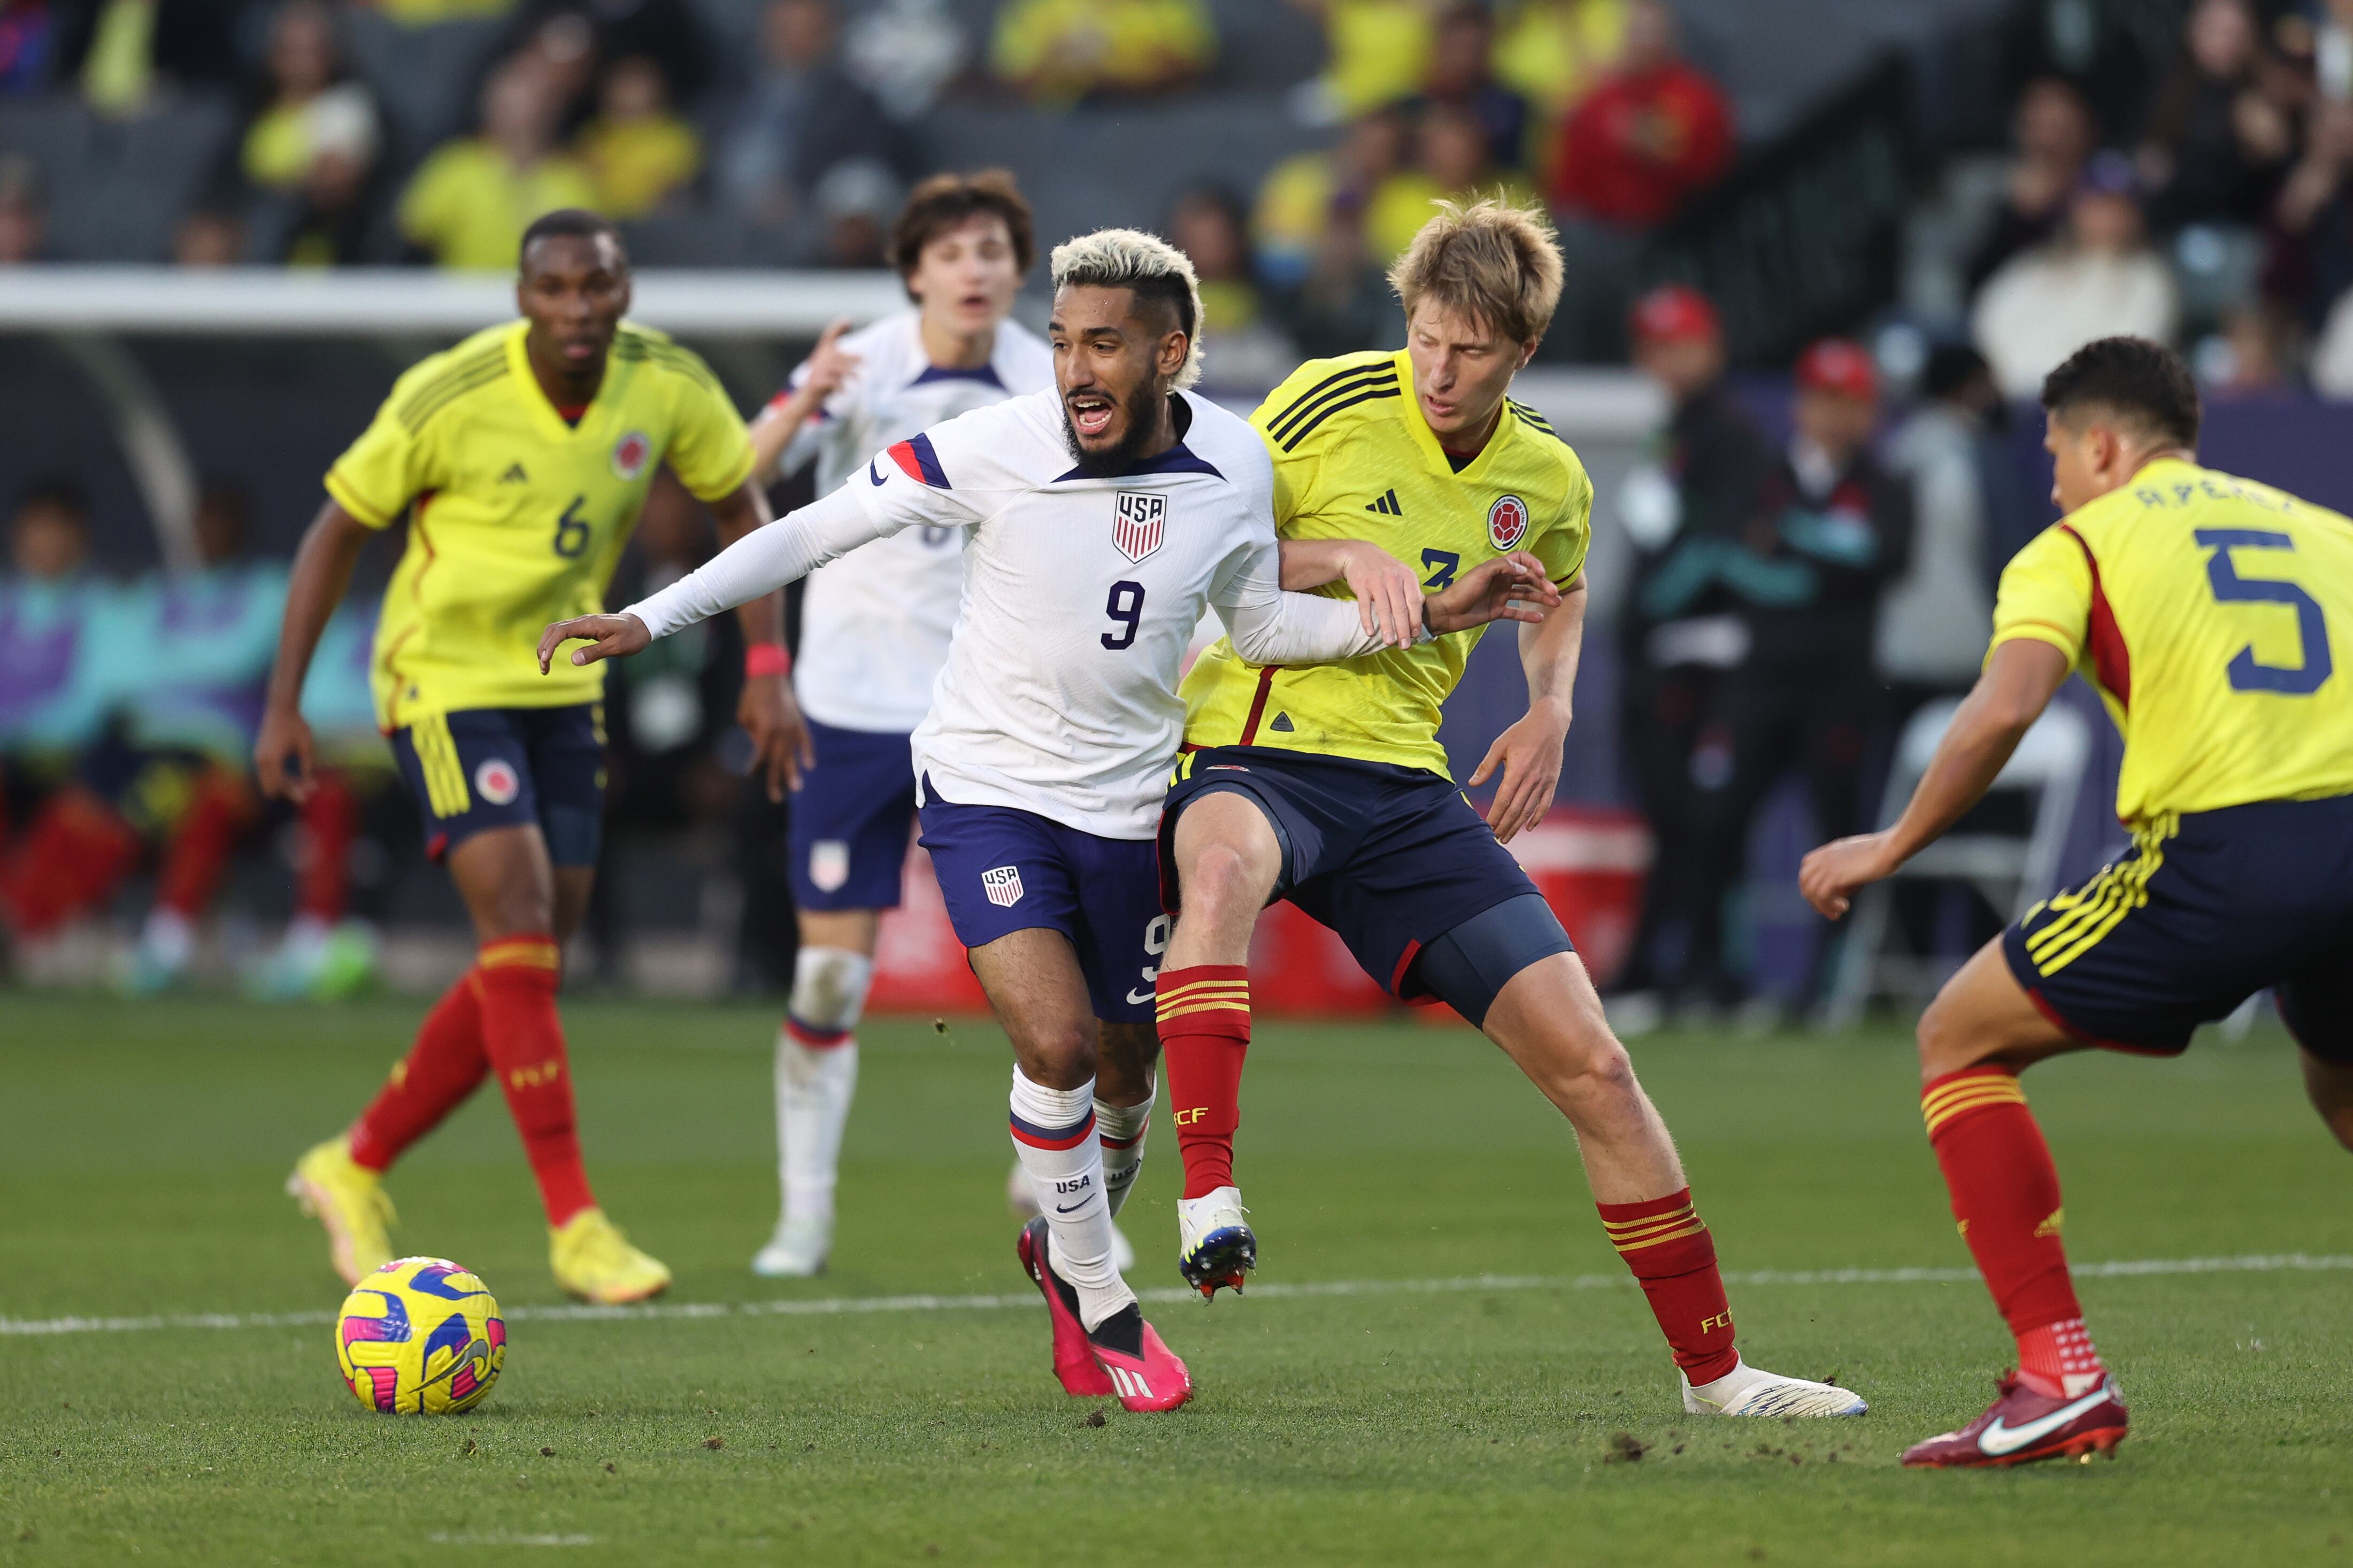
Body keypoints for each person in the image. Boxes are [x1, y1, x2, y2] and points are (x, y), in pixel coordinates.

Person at [540, 227, 1551, 1409]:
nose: (1073, 367)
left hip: (1129, 805)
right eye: (1063, 338)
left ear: (1170, 352)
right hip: (986, 790)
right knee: (1058, 1046)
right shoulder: (998, 444)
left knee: (1125, 1076)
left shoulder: (1231, 462)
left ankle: (1061, 1249)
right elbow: (815, 527)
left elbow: (1261, 623)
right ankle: (1102, 1294)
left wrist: (1431, 613)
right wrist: (646, 620)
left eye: (1104, 344)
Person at [1149, 199, 1866, 1420]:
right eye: (1426, 337)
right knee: (1215, 880)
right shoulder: (1326, 396)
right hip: (1249, 744)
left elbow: (1566, 585)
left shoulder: (1545, 472)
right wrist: (1338, 560)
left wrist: (1548, 707)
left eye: (1470, 349)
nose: (1438, 368)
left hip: (1398, 783)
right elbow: (1200, 542)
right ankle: (1206, 1196)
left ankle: (1715, 1375)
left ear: (1520, 353)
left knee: (1595, 1065)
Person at [1800, 335, 2353, 1466]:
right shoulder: (2323, 530)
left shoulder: (2078, 541)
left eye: (2055, 451)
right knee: (2341, 1081)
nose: (2050, 477)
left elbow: (2005, 708)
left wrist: (1893, 840)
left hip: (2231, 853)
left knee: (1957, 1036)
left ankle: (2059, 1374)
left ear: (2101, 444)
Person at [264, 209, 804, 1304]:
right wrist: (283, 705)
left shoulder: (664, 383)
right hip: (445, 683)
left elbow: (738, 503)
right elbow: (335, 530)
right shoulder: (450, 392)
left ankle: (353, 1160)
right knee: (515, 923)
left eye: (594, 286)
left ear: (624, 291)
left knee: (531, 956)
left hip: (568, 680)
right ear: (521, 297)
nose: (574, 307)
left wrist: (764, 664)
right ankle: (576, 1222)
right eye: (552, 288)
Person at [737, 169, 1052, 1280]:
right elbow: (738, 476)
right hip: (852, 707)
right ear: (913, 271)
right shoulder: (858, 364)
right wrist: (799, 398)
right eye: (952, 251)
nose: (974, 269)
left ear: (1018, 270)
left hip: (990, 708)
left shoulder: (1049, 376)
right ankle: (805, 1217)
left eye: (992, 251)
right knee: (828, 981)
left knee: (1041, 955)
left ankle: (1042, 1156)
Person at [1677, 338, 1911, 1015]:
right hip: (1758, 680)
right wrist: (1818, 561)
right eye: (1821, 398)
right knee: (1719, 819)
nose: (1833, 415)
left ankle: (1830, 985)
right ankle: (1718, 977)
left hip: (1839, 687)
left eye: (1848, 401)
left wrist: (1792, 541)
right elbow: (1731, 553)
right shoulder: (1764, 472)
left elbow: (1882, 558)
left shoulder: (1882, 483)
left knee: (1839, 831)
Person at [1610, 283, 1770, 1015]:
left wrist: (1665, 597)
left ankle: (1693, 971)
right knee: (1672, 817)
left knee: (1700, 820)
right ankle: (1674, 968)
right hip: (1661, 654)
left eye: (1680, 345)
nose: (1666, 361)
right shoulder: (1671, 433)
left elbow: (1721, 547)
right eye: (1655, 346)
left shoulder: (1730, 435)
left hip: (1707, 658)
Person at [1974, 151, 2180, 398]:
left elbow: (2129, 353)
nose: (2108, 216)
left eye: (2119, 206)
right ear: (2075, 208)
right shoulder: (2033, 268)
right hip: (2012, 404)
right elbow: (1990, 326)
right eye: (2097, 204)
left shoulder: (2150, 278)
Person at [399, 60, 599, 272]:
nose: (523, 112)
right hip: (464, 299)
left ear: (554, 108)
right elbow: (411, 234)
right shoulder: (457, 166)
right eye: (511, 98)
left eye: (535, 99)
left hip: (545, 300)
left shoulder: (573, 178)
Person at [989, 0, 1216, 106]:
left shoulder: (1168, 7)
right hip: (1062, 122)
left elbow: (1195, 70)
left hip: (1151, 114)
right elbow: (1011, 80)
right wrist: (1054, 62)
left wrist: (1124, 68)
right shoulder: (1036, 9)